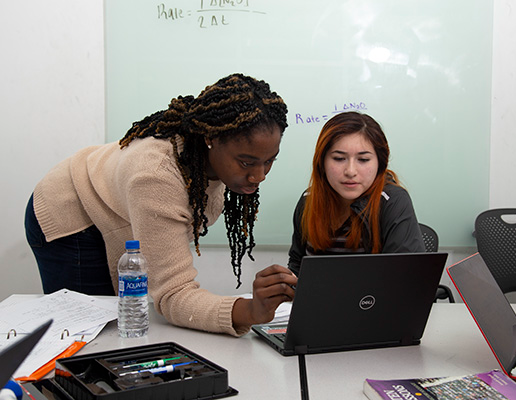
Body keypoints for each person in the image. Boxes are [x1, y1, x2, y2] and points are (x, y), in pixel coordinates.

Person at [25, 73, 297, 336]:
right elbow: (172, 294)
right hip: (72, 212)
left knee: (124, 322)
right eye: (247, 162)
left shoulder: (214, 154)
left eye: (270, 160)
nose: (259, 176)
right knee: (91, 331)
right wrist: (249, 311)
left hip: (113, 201)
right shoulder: (156, 176)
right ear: (210, 140)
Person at [288, 111, 425, 274]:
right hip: (316, 299)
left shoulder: (392, 201)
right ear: (322, 161)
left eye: (363, 160)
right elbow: (297, 265)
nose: (350, 171)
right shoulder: (308, 200)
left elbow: (404, 276)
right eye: (339, 158)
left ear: (380, 163)